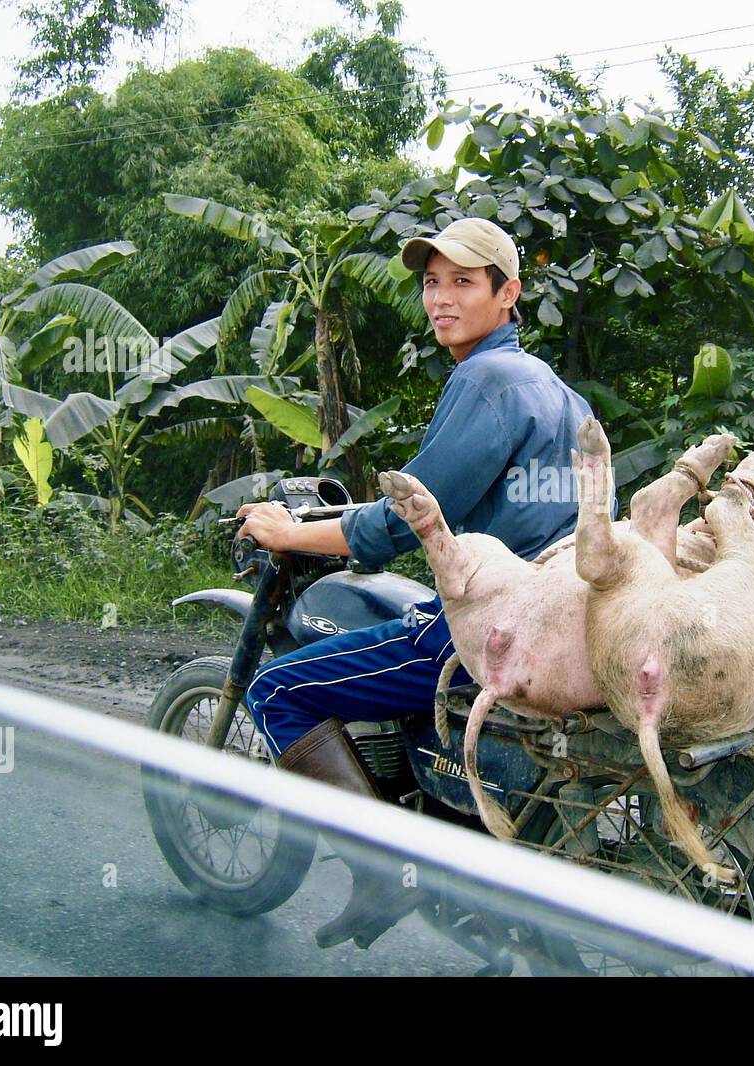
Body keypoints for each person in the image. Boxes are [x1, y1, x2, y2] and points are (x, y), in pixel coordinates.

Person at [233, 217, 611, 947]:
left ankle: (377, 872)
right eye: (431, 282)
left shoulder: (488, 380)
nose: (440, 298)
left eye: (463, 282)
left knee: (276, 689)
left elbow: (402, 520)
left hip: (488, 630)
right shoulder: (560, 392)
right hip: (565, 618)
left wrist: (287, 532)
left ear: (509, 295)